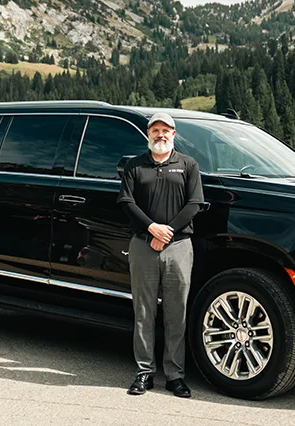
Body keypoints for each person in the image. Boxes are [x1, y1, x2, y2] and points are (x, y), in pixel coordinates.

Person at [117, 112, 204, 398]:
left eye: (166, 130)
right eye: (155, 130)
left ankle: (175, 376)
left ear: (174, 135)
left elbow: (195, 204)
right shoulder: (134, 166)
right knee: (143, 312)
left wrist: (167, 232)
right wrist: (152, 228)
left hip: (179, 247)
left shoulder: (188, 165)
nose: (160, 135)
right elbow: (126, 202)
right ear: (148, 134)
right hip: (143, 245)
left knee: (176, 313)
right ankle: (144, 373)